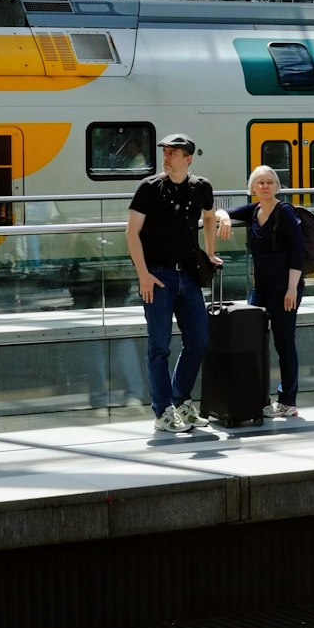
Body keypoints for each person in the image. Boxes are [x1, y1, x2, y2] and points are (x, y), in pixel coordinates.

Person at [126, 133, 221, 434]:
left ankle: (180, 401)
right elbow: (131, 233)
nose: (166, 157)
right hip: (157, 275)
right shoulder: (149, 188)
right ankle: (163, 411)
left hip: (189, 275)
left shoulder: (201, 187)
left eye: (173, 153)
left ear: (188, 158)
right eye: (165, 152)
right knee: (159, 347)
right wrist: (143, 274)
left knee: (199, 341)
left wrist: (210, 252)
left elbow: (209, 217)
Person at [216, 165, 306, 419]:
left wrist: (291, 289)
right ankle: (258, 398)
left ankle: (287, 400)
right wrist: (223, 218)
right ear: (252, 188)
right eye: (260, 183)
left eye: (269, 182)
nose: (265, 186)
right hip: (261, 288)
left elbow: (298, 253)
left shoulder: (284, 212)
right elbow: (224, 210)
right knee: (253, 341)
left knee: (284, 342)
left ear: (276, 186)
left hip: (285, 288)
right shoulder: (254, 210)